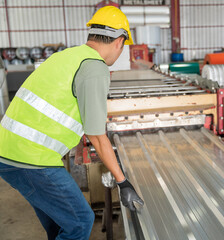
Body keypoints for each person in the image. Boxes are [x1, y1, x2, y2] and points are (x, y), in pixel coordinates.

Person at [0, 6, 143, 240]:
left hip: (8, 151)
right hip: (31, 158)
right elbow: (97, 134)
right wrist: (123, 182)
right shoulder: (95, 67)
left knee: (60, 224)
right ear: (119, 41)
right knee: (80, 221)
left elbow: (63, 105)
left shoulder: (67, 56)